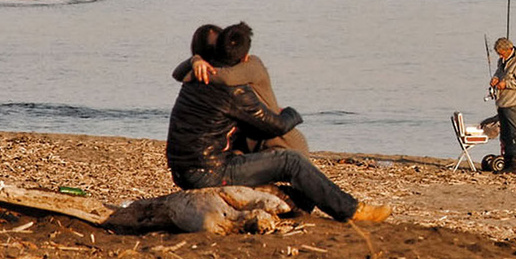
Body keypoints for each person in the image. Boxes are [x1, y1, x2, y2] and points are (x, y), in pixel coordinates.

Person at [166, 22, 389, 223]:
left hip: (184, 169)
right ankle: (352, 211)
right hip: (208, 171)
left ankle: (285, 200)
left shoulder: (193, 77)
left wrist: (194, 61)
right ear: (244, 59)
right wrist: (292, 113)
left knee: (298, 191)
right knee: (290, 161)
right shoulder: (235, 91)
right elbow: (276, 126)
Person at [172, 24, 308, 153]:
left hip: (281, 143)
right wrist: (195, 61)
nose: (225, 50)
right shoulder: (211, 83)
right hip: (253, 144)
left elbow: (227, 77)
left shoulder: (249, 65)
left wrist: (194, 69)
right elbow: (178, 74)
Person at [488, 36, 516, 173]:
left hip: (512, 101)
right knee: (505, 133)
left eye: (501, 53)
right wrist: (496, 78)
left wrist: (506, 84)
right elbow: (499, 72)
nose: (500, 56)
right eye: (498, 54)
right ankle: (507, 160)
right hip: (501, 101)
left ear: (509, 49)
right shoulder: (502, 60)